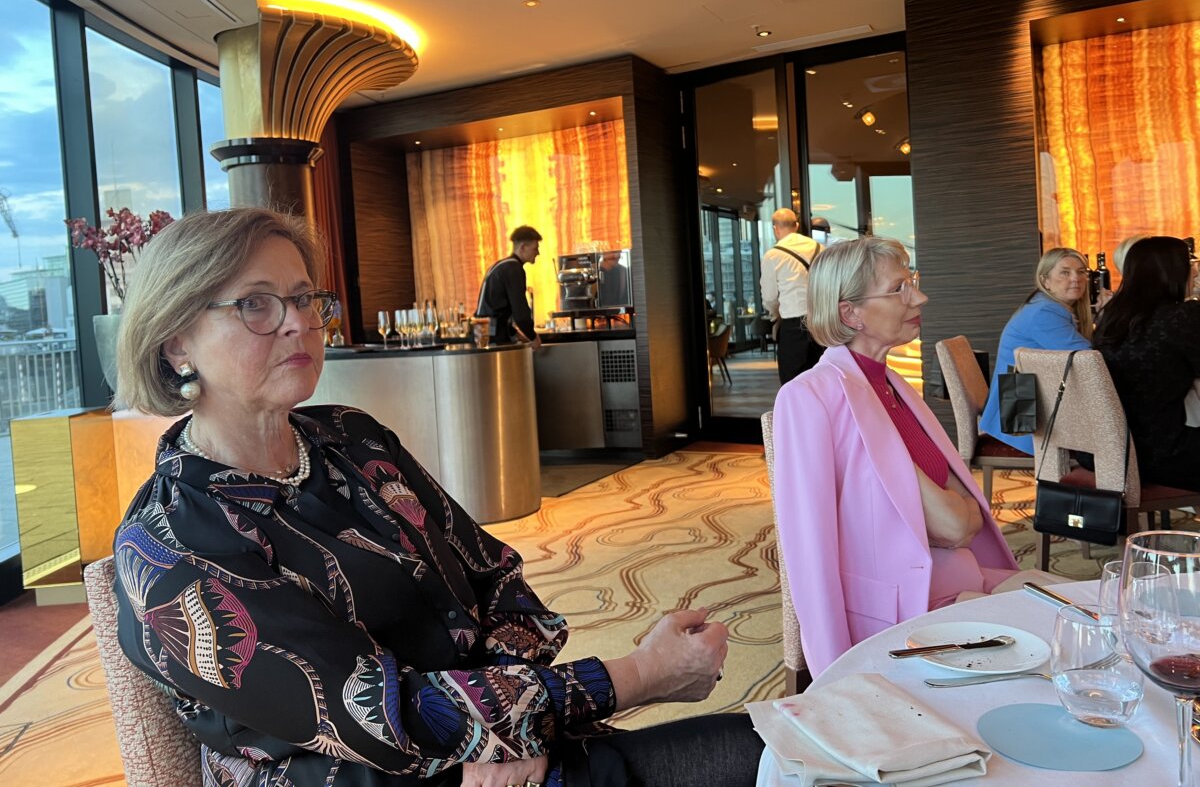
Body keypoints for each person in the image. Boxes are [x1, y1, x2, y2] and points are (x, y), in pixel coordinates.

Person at [110, 208, 761, 787]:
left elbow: (494, 575)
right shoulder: (170, 541)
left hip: (511, 746)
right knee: (762, 755)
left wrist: (510, 726)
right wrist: (641, 675)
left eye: (305, 298)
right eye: (257, 304)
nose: (299, 323)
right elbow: (380, 713)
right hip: (370, 776)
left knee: (771, 750)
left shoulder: (353, 437)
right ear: (176, 342)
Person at [772, 237, 1019, 677]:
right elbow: (809, 551)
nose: (919, 298)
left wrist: (951, 517)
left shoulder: (894, 386)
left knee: (1090, 612)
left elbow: (964, 522)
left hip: (960, 579)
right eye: (899, 289)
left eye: (913, 282)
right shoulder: (809, 397)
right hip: (898, 617)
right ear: (851, 313)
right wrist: (836, 675)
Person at [1093, 236, 1200, 489]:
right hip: (1165, 455)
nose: (1195, 271)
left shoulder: (1111, 318)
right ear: (1171, 271)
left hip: (1109, 452)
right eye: (1189, 265)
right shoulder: (1182, 316)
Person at [979, 247, 1094, 455]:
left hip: (1026, 407)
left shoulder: (1046, 304)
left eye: (1081, 272)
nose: (1075, 278)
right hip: (1022, 421)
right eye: (1065, 272)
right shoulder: (1045, 312)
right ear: (1045, 280)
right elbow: (1090, 359)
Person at [760, 209, 823, 384]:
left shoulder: (773, 255)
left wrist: (775, 314)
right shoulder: (819, 248)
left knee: (792, 382)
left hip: (793, 325)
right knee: (821, 380)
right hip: (821, 322)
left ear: (775, 229)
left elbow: (770, 297)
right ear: (796, 225)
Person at [476, 225, 542, 347]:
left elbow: (496, 307)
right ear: (523, 247)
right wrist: (533, 336)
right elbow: (520, 312)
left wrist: (515, 333)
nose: (538, 253)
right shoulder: (514, 269)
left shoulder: (501, 266)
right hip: (495, 338)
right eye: (535, 248)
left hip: (484, 334)